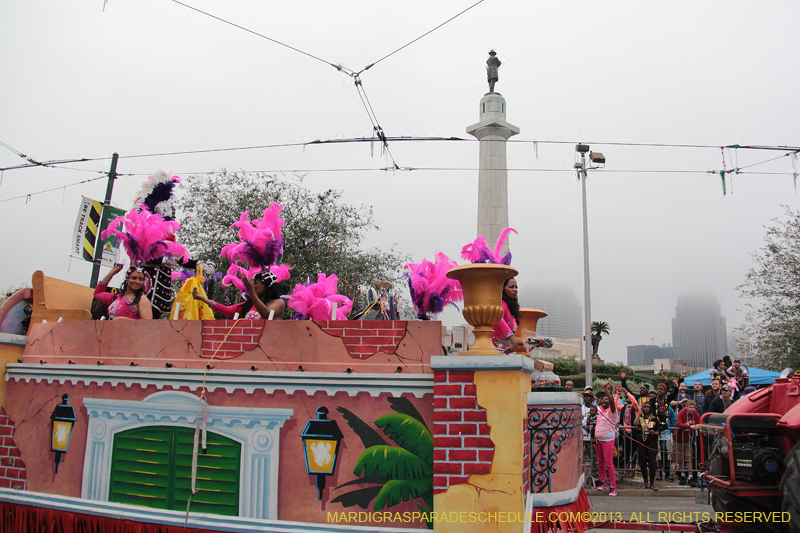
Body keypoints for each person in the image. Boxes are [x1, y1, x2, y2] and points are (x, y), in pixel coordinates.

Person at [193, 270, 284, 320]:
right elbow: (227, 310)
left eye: (255, 283)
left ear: (266, 287)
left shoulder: (278, 302)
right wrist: (203, 299)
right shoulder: (249, 305)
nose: (252, 286)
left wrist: (250, 291)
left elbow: (266, 313)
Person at [593, 382, 620, 496]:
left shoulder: (612, 411)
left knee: (609, 463)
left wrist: (606, 390)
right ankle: (603, 481)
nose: (604, 401)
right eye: (602, 400)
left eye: (606, 400)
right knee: (600, 462)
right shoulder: (600, 411)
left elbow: (610, 399)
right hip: (598, 440)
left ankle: (613, 486)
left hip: (608, 440)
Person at [634, 401, 665, 490]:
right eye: (644, 407)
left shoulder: (655, 419)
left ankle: (652, 483)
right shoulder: (640, 418)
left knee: (652, 462)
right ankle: (645, 482)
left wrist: (654, 433)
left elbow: (659, 431)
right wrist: (638, 414)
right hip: (642, 442)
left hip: (652, 443)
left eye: (648, 407)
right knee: (642, 462)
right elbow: (635, 424)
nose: (646, 409)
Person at [492, 278, 522, 353]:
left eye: (516, 287)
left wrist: (532, 341)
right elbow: (497, 317)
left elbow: (512, 339)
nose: (515, 290)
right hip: (494, 351)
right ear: (502, 288)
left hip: (504, 353)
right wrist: (512, 339)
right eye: (511, 287)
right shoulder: (501, 305)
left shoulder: (510, 309)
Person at [676, 400, 702, 486]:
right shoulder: (681, 413)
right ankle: (682, 475)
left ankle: (690, 476)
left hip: (689, 439)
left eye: (693, 407)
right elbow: (678, 423)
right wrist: (690, 426)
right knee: (680, 458)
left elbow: (699, 423)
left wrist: (698, 426)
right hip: (679, 438)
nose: (691, 409)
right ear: (686, 407)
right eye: (690, 407)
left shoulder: (696, 414)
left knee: (689, 458)